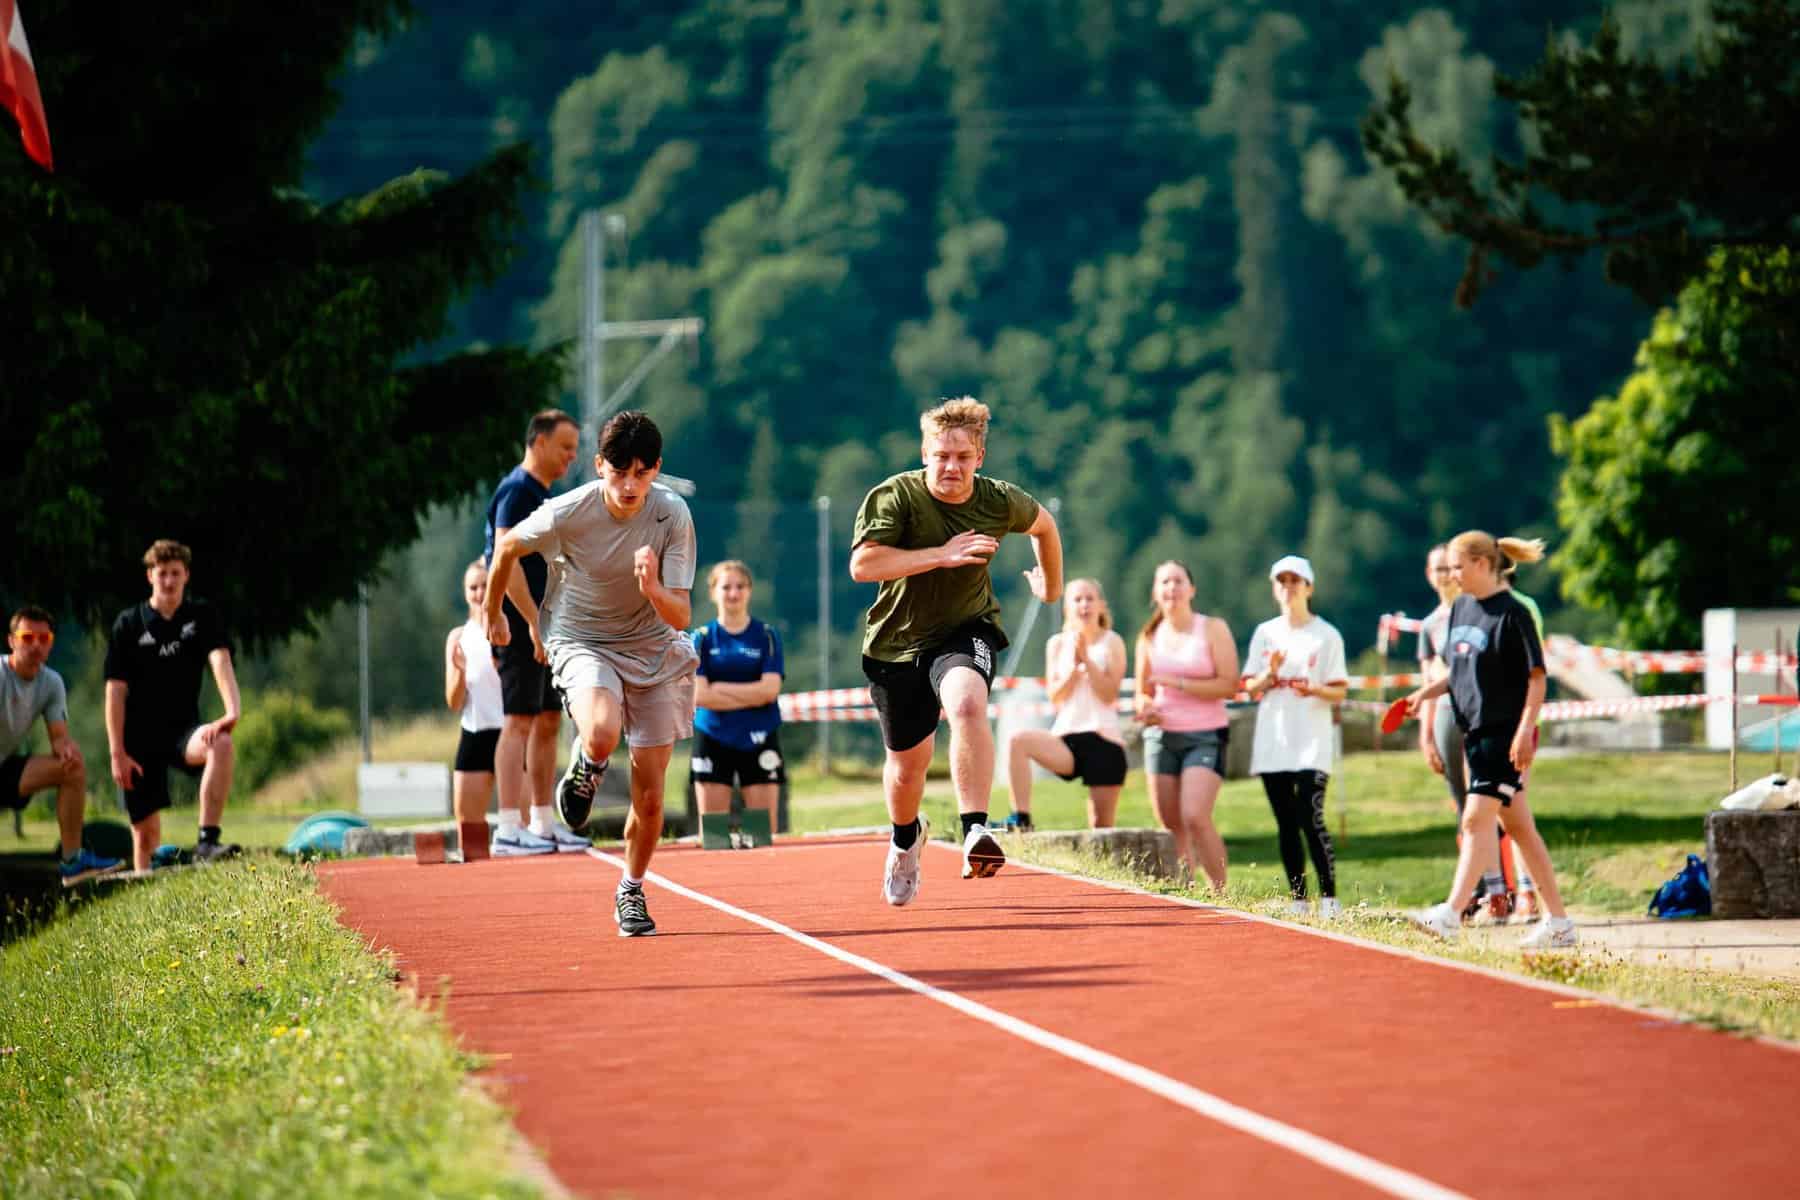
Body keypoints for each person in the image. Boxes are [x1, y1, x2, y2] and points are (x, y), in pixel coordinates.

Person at [486, 410, 698, 937]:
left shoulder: (672, 515)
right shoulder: (569, 509)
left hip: (654, 648)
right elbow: (508, 544)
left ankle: (631, 888)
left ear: (657, 470)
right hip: (582, 640)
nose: (629, 486)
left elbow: (682, 615)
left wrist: (652, 589)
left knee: (649, 798)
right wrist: (494, 613)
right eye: (618, 472)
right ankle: (587, 761)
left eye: (642, 474)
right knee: (601, 732)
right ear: (599, 464)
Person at [850, 396, 1062, 906]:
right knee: (907, 767)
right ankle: (905, 839)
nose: (951, 466)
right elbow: (863, 565)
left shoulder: (996, 500)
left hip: (966, 629)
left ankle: (974, 830)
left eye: (962, 457)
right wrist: (941, 556)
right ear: (925, 453)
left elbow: (1045, 526)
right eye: (941, 455)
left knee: (967, 703)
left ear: (980, 458)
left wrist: (1051, 590)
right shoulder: (895, 497)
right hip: (896, 644)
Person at [1403, 533, 1578, 948]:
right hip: (1474, 733)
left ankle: (1450, 913)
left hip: (1503, 735)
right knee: (1519, 828)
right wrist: (1425, 693)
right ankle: (1559, 923)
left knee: (1474, 819)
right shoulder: (1462, 608)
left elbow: (1537, 679)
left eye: (1457, 567)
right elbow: (1460, 671)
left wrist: (1524, 731)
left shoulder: (1514, 614)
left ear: (1482, 564)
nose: (1451, 575)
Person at [483, 408, 587, 855]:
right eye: (565, 448)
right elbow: (504, 560)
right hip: (523, 626)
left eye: (575, 450)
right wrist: (530, 622)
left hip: (547, 626)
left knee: (548, 721)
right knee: (518, 721)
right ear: (538, 442)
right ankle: (508, 826)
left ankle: (542, 822)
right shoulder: (516, 490)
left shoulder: (544, 495)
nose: (570, 458)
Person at [103, 540, 243, 871]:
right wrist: (117, 752)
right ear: (150, 575)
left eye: (175, 574)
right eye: (162, 573)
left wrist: (232, 711)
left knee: (221, 743)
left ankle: (207, 841)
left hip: (184, 732)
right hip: (138, 741)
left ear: (186, 576)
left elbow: (220, 662)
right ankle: (146, 908)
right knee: (145, 840)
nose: (168, 581)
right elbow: (114, 692)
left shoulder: (202, 616)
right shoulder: (128, 624)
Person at [1243, 556, 1348, 918]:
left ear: (1309, 587)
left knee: (1310, 815)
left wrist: (1314, 689)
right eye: (1282, 582)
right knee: (1286, 823)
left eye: (1295, 581)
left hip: (1312, 739)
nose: (1288, 588)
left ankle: (1330, 897)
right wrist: (1269, 674)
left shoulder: (1326, 634)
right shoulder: (1265, 633)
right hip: (1275, 738)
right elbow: (1250, 687)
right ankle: (1299, 899)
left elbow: (1339, 690)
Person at [1419, 543, 1517, 923]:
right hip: (1445, 712)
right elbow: (1434, 677)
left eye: (1451, 567)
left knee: (1487, 806)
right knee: (1465, 807)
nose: (1446, 575)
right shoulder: (1430, 624)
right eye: (1439, 569)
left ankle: (1498, 889)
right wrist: (1425, 734)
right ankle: (1477, 891)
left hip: (1479, 715)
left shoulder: (1478, 610)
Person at [1134, 561, 1239, 893]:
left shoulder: (1212, 628)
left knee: (1194, 815)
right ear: (1155, 592)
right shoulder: (1149, 636)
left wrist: (1178, 683)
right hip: (1161, 736)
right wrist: (1145, 708)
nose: (1172, 588)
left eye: (1179, 580)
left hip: (1205, 735)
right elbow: (1142, 691)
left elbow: (1229, 684)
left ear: (1191, 589)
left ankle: (1221, 892)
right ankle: (1188, 891)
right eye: (1164, 581)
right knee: (1170, 824)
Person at [3, 607, 124, 885]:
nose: (35, 645)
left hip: (6, 768)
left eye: (43, 639)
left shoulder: (51, 682)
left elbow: (58, 736)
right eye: (27, 637)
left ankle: (72, 862)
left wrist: (65, 748)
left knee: (72, 767)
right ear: (12, 641)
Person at [1002, 578, 1128, 831]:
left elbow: (1109, 695)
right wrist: (1073, 669)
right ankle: (1022, 819)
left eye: (1090, 598)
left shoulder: (1112, 642)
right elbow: (1056, 696)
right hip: (1067, 739)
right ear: (1066, 608)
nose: (1084, 605)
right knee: (1018, 741)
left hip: (1105, 740)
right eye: (1077, 599)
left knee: (1101, 828)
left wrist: (1087, 662)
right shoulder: (1057, 644)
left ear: (1101, 606)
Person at [691, 560, 786, 841]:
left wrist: (719, 688)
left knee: (760, 835)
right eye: (726, 587)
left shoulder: (767, 636)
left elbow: (769, 691)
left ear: (749, 591)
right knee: (714, 836)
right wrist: (749, 693)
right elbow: (700, 695)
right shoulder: (701, 638)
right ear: (713, 593)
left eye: (740, 586)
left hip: (759, 736)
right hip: (713, 735)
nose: (733, 593)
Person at [445, 560, 506, 843]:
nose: (480, 592)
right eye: (473, 587)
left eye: (485, 585)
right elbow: (454, 702)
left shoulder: (508, 631)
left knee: (524, 825)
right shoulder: (458, 638)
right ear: (465, 592)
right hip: (475, 733)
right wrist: (459, 668)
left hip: (510, 736)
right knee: (468, 831)